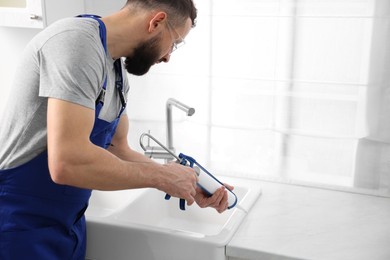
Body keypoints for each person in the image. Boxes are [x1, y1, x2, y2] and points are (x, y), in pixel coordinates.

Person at [0, 0, 232, 259]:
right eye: (175, 43)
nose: (168, 56)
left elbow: (118, 149)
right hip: (19, 224)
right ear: (156, 22)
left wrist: (186, 183)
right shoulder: (76, 44)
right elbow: (66, 162)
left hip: (68, 226)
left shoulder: (117, 72)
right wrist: (162, 177)